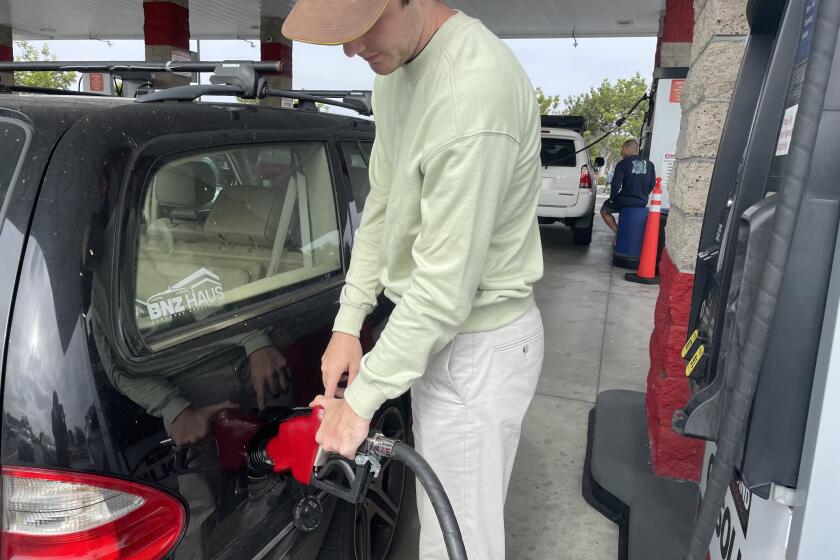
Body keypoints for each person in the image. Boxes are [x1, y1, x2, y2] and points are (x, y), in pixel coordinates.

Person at [282, 1, 545, 558]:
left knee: (459, 544)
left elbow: (444, 291)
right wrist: (348, 323)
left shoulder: (473, 97)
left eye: (358, 29)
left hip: (478, 348)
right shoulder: (396, 70)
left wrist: (361, 403)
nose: (351, 49)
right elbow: (384, 205)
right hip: (442, 336)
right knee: (443, 526)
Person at [600, 139, 656, 234]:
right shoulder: (649, 164)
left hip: (625, 201)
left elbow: (616, 184)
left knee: (604, 211)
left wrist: (612, 198)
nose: (622, 152)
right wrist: (643, 194)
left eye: (623, 149)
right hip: (642, 201)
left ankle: (619, 233)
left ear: (628, 148)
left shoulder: (623, 163)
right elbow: (652, 183)